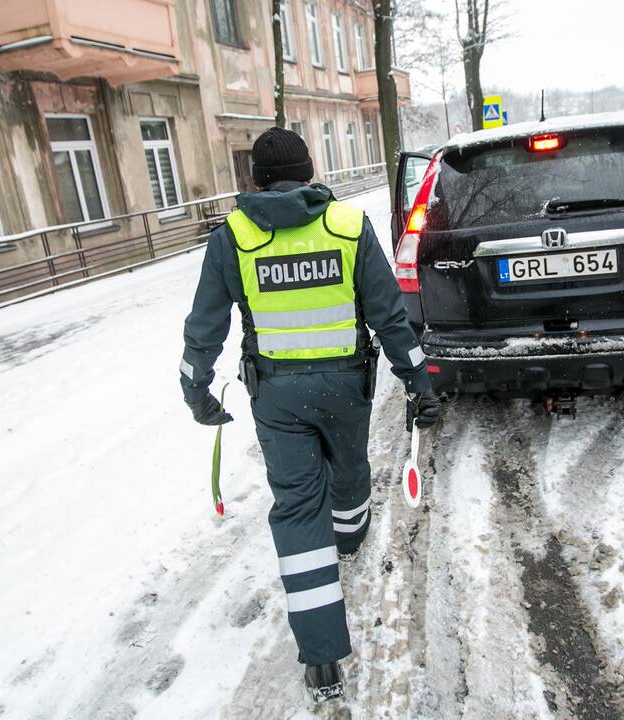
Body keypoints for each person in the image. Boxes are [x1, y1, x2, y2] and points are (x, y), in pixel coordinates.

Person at [178, 127, 440, 702]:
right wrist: (419, 383)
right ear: (312, 169)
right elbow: (390, 318)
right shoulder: (348, 226)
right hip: (346, 388)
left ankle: (321, 663)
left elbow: (206, 325)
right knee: (348, 474)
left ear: (255, 179)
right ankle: (350, 537)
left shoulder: (234, 237)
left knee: (298, 507)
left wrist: (195, 385)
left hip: (275, 397)